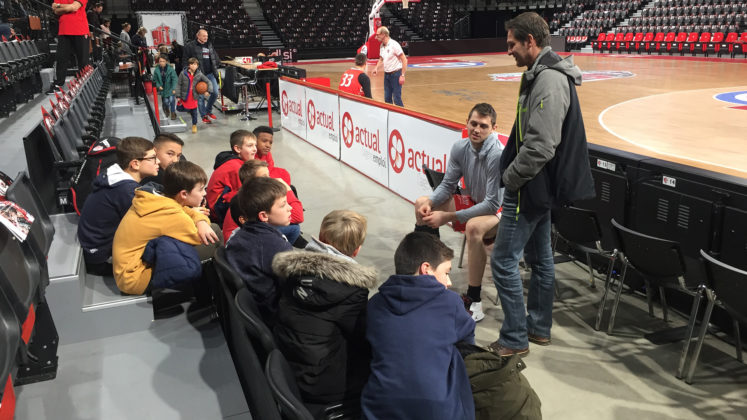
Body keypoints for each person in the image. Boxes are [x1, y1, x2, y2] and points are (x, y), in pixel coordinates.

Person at [489, 12, 594, 357]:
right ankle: (538, 329)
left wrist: (511, 178)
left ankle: (514, 337)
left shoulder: (549, 79)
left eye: (512, 44)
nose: (509, 51)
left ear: (530, 41)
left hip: (530, 185)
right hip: (538, 185)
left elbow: (541, 145)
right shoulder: (542, 74)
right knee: (541, 259)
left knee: (503, 261)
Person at [361, 232, 475, 420]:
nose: (449, 282)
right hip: (438, 411)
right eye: (446, 273)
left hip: (378, 408)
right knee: (454, 352)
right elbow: (469, 346)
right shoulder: (450, 302)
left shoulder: (375, 304)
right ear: (426, 269)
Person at [272, 210, 375, 404]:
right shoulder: (353, 291)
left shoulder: (293, 270)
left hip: (287, 366)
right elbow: (362, 338)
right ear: (356, 250)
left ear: (320, 237)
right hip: (321, 382)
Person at [414, 103, 504, 323]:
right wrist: (431, 203)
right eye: (473, 123)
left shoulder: (497, 154)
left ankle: (474, 300)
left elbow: (492, 204)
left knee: (473, 227)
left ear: (493, 128)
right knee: (421, 204)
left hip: (500, 212)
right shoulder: (460, 147)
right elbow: (447, 185)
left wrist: (449, 217)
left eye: (483, 126)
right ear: (467, 123)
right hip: (475, 201)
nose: (477, 129)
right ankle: (431, 277)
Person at [112, 161, 219, 295]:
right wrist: (201, 219)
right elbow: (198, 237)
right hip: (134, 278)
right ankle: (212, 294)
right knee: (214, 236)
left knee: (208, 232)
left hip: (126, 270)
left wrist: (200, 220)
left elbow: (184, 210)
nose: (204, 193)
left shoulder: (156, 197)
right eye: (201, 189)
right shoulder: (171, 214)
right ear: (184, 194)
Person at [77, 137, 160, 276]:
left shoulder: (115, 176)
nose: (158, 162)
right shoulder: (125, 190)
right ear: (135, 164)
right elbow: (147, 225)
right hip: (101, 257)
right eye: (153, 158)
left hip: (95, 247)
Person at [225, 177, 292, 324]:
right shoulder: (277, 247)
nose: (290, 208)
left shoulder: (238, 236)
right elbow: (293, 287)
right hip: (275, 315)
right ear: (263, 216)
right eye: (283, 205)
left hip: (257, 308)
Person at [222, 160, 304, 246]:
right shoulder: (255, 200)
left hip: (239, 238)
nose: (270, 179)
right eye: (265, 177)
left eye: (269, 175)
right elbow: (298, 217)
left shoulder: (246, 195)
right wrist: (288, 189)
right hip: (243, 242)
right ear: (252, 182)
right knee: (294, 228)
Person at [206, 129, 257, 224]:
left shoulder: (233, 160)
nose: (255, 149)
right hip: (218, 212)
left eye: (255, 145)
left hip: (214, 206)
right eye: (250, 146)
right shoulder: (236, 167)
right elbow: (244, 193)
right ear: (237, 149)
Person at [49, 0, 90, 94]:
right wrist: (68, 7)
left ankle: (84, 85)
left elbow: (73, 7)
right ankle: (58, 84)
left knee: (83, 60)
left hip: (80, 30)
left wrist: (59, 6)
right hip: (64, 30)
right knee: (61, 58)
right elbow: (56, 11)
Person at [183, 29, 221, 123]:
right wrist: (188, 71)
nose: (206, 38)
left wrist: (217, 64)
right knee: (200, 97)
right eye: (204, 36)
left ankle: (208, 111)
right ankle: (204, 116)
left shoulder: (209, 45)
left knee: (215, 92)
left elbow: (215, 57)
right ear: (198, 36)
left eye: (207, 36)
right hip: (198, 75)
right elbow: (185, 60)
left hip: (210, 74)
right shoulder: (190, 46)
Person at [371, 26, 406, 106]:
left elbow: (404, 59)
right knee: (387, 98)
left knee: (397, 98)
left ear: (383, 34)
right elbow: (381, 58)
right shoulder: (381, 46)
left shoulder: (394, 45)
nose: (376, 37)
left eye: (377, 35)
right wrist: (376, 68)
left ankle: (401, 113)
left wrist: (402, 75)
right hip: (387, 75)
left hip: (396, 74)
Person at [176, 57, 212, 133]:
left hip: (194, 96)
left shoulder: (199, 74)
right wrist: (178, 96)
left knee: (194, 112)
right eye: (191, 64)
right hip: (185, 96)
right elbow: (179, 85)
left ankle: (194, 125)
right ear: (189, 65)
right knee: (181, 109)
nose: (193, 66)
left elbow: (208, 82)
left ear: (197, 66)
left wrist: (208, 91)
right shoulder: (183, 73)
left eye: (195, 64)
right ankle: (188, 111)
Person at [153, 55, 178, 120]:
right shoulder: (156, 70)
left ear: (166, 61)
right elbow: (155, 80)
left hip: (170, 87)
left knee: (172, 100)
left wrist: (174, 88)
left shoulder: (171, 69)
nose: (161, 63)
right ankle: (166, 109)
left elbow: (175, 79)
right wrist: (158, 86)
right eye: (160, 61)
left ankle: (173, 113)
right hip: (163, 89)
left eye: (163, 61)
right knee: (166, 102)